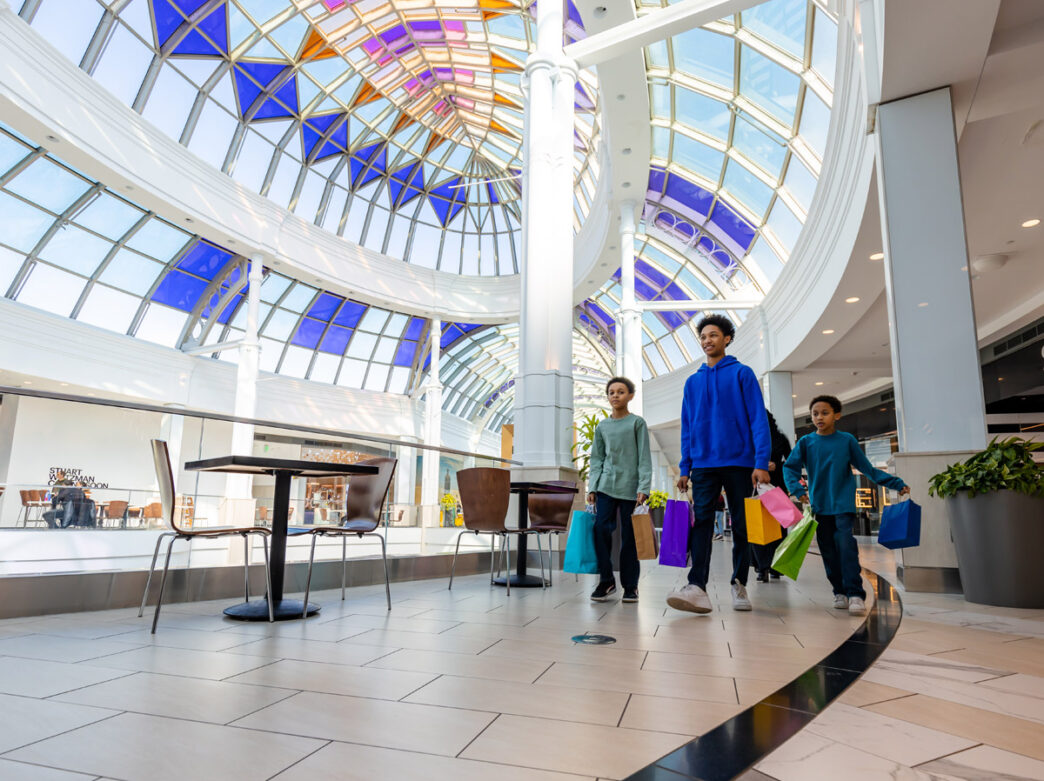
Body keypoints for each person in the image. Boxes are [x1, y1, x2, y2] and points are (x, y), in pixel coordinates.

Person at [668, 315, 771, 614]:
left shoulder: (742, 373)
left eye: (713, 335)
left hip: (739, 462)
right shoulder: (692, 382)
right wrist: (685, 467)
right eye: (703, 337)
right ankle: (697, 586)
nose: (707, 340)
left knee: (741, 524)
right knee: (701, 522)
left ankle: (739, 583)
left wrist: (760, 462)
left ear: (727, 339)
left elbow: (758, 419)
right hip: (703, 465)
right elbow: (687, 427)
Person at [784, 395, 910, 615]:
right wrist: (798, 491)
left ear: (837, 415)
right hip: (819, 508)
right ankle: (839, 592)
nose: (819, 417)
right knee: (828, 552)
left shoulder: (847, 440)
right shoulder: (806, 442)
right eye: (815, 414)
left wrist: (896, 483)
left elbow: (868, 469)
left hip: (843, 505)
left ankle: (855, 594)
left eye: (825, 413)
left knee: (846, 546)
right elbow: (789, 468)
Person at [586, 376, 652, 603]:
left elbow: (644, 458)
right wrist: (592, 487)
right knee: (600, 530)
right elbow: (597, 459)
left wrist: (644, 487)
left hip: (631, 489)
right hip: (605, 487)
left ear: (630, 396)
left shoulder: (637, 423)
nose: (615, 395)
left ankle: (630, 586)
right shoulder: (602, 426)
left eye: (621, 392)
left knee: (630, 538)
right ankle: (606, 580)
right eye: (611, 392)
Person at [753, 411, 792, 582]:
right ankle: (762, 567)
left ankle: (777, 565)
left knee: (779, 527)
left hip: (777, 487)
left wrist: (777, 465)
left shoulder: (780, 438)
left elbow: (791, 462)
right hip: (757, 487)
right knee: (758, 525)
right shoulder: (750, 438)